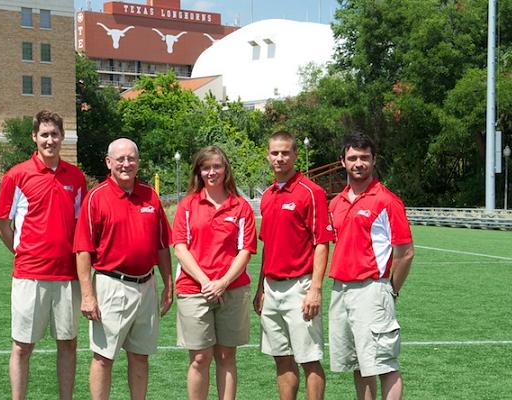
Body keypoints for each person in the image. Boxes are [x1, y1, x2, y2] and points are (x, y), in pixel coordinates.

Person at [0, 110, 87, 400]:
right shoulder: (16, 175)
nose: (50, 140)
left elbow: (79, 227)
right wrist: (24, 252)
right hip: (29, 276)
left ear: (63, 137)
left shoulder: (76, 177)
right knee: (22, 347)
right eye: (44, 134)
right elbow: (2, 226)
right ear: (34, 137)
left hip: (66, 276)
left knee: (68, 344)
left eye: (55, 134)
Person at [73, 138, 173, 400]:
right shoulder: (96, 198)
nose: (126, 164)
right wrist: (87, 295)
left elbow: (163, 246)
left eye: (131, 159)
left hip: (147, 285)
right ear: (109, 162)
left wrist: (168, 285)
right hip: (110, 286)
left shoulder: (151, 195)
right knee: (104, 358)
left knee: (140, 357)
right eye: (120, 159)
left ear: (138, 162)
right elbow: (83, 251)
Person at [328, 132, 415, 400]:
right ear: (342, 161)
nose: (358, 163)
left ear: (374, 160)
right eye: (352, 157)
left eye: (364, 157)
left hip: (372, 289)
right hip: (340, 290)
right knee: (359, 364)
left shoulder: (387, 201)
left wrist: (391, 291)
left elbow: (406, 252)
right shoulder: (336, 202)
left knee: (384, 364)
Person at [172, 145, 257, 400]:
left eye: (217, 166)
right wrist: (207, 281)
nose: (212, 172)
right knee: (200, 357)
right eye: (206, 167)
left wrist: (223, 282)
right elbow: (180, 248)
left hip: (232, 289)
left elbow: (245, 250)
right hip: (193, 290)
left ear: (225, 169)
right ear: (199, 171)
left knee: (226, 355)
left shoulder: (240, 207)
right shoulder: (187, 205)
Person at [253, 131, 333, 400]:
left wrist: (316, 289)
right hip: (271, 288)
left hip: (300, 287)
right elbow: (267, 245)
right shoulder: (267, 195)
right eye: (275, 153)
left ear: (295, 155)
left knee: (309, 359)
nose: (279, 158)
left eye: (285, 152)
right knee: (282, 359)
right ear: (268, 155)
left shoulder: (311, 192)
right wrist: (260, 288)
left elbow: (322, 243)